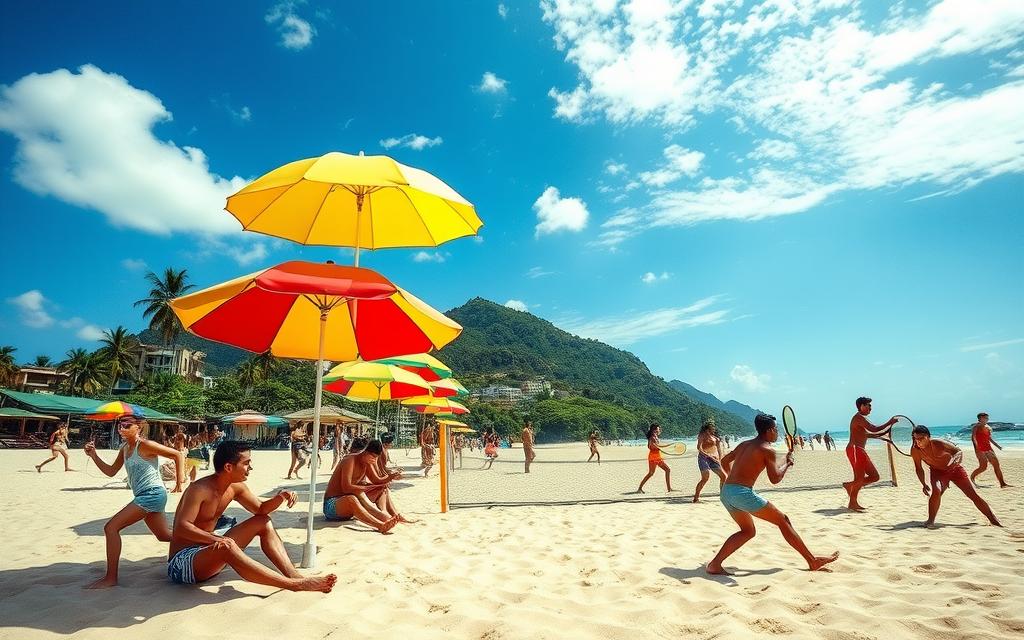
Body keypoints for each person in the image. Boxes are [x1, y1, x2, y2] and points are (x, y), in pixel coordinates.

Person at [167, 440, 336, 592]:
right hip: (183, 563)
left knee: (263, 521)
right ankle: (293, 585)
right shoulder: (198, 490)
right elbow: (182, 527)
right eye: (246, 463)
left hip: (208, 553)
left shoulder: (235, 487)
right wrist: (217, 540)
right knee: (227, 545)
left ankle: (294, 575)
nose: (251, 468)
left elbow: (260, 509)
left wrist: (280, 497)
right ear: (228, 467)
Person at [707, 414, 839, 575]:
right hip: (741, 493)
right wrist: (787, 464)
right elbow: (775, 479)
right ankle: (812, 561)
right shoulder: (767, 449)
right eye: (776, 429)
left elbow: (725, 460)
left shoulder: (744, 444)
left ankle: (715, 564)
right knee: (783, 520)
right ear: (769, 430)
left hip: (727, 492)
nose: (777, 432)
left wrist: (732, 480)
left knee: (748, 531)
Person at [83, 416, 185, 588]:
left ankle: (111, 578)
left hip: (152, 494)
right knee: (164, 536)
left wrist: (179, 482)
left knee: (111, 528)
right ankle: (202, 540)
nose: (121, 429)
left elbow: (177, 454)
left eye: (126, 426)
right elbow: (110, 472)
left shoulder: (145, 445)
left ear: (138, 427)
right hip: (144, 495)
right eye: (120, 426)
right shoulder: (124, 449)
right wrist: (93, 455)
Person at [911, 425, 1001, 528]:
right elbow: (918, 468)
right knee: (936, 491)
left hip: (955, 470)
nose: (918, 442)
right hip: (937, 472)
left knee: (972, 495)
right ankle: (930, 521)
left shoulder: (939, 443)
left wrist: (956, 461)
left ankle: (994, 520)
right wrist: (923, 484)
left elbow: (958, 452)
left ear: (928, 437)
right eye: (916, 439)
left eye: (921, 439)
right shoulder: (915, 450)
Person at [322, 439, 400, 533]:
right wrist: (368, 487)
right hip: (332, 506)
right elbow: (346, 487)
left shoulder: (367, 462)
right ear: (365, 452)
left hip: (352, 503)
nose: (374, 460)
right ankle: (379, 525)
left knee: (381, 488)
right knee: (352, 498)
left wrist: (390, 477)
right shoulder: (349, 460)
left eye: (376, 458)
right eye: (373, 457)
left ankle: (384, 515)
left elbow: (377, 481)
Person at [843, 397, 898, 511]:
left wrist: (884, 437)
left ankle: (850, 486)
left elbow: (867, 434)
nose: (870, 408)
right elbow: (874, 429)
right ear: (861, 406)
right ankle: (852, 503)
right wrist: (890, 422)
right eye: (868, 405)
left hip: (859, 450)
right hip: (855, 450)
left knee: (875, 476)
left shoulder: (860, 419)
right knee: (859, 478)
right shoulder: (858, 418)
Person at [969, 412, 1010, 488]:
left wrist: (998, 446)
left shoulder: (987, 427)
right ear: (980, 419)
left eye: (987, 418)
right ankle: (972, 478)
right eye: (985, 418)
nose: (986, 419)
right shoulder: (976, 427)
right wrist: (977, 447)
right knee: (983, 467)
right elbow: (973, 437)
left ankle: (1002, 484)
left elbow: (989, 438)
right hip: (980, 449)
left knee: (996, 465)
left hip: (988, 448)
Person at [693, 420, 726, 503]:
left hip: (713, 459)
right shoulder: (702, 436)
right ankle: (696, 497)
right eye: (712, 427)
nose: (714, 429)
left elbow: (719, 449)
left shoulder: (715, 438)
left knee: (723, 477)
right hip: (703, 458)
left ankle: (722, 496)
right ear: (707, 429)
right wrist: (709, 455)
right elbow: (699, 448)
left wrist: (720, 458)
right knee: (705, 478)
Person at [637, 424, 673, 493]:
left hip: (656, 456)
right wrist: (661, 448)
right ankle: (640, 488)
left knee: (665, 470)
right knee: (653, 473)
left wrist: (666, 446)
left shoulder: (655, 437)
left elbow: (658, 446)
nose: (659, 430)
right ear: (654, 430)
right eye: (658, 429)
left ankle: (669, 489)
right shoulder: (652, 438)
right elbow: (651, 447)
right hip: (654, 457)